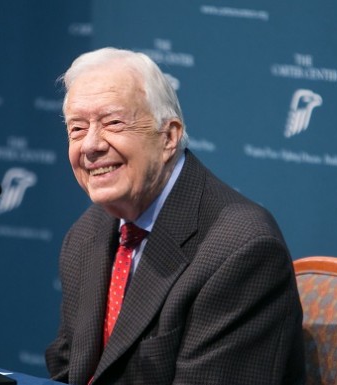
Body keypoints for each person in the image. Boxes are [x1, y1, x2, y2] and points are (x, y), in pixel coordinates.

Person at [45, 47, 305, 385]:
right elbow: (67, 371)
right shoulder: (87, 234)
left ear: (168, 136)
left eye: (113, 123)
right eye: (77, 129)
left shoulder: (242, 249)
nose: (91, 145)